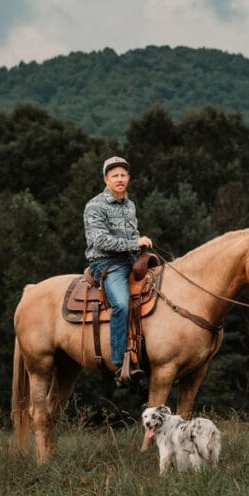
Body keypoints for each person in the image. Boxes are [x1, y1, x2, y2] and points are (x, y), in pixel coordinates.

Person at [83, 156, 152, 384]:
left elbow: (133, 234)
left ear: (128, 178)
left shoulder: (130, 205)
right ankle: (120, 362)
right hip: (107, 264)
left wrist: (140, 247)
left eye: (123, 175)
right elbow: (100, 240)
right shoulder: (95, 206)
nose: (120, 179)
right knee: (121, 303)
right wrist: (135, 244)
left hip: (130, 261)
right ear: (106, 179)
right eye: (115, 176)